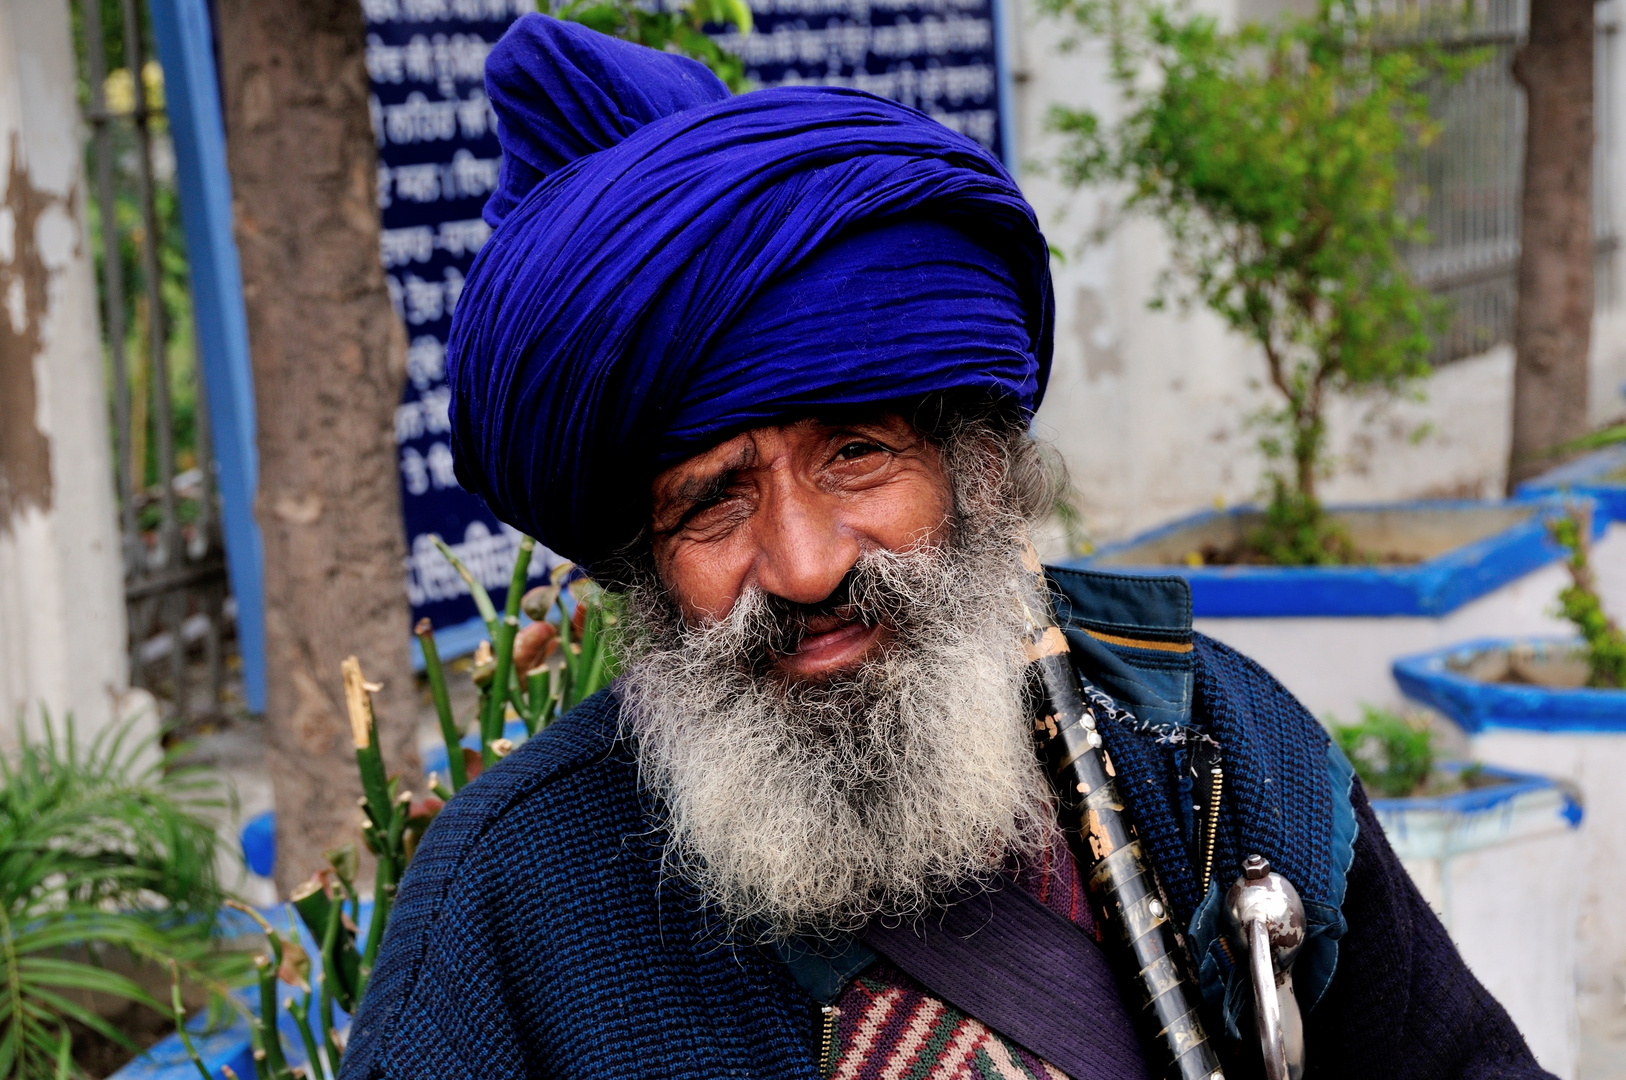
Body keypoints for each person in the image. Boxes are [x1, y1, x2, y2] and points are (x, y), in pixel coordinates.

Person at [342, 15, 1553, 1080]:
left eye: (856, 454)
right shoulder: (507, 909)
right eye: (713, 503)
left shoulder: (1213, 748)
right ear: (642, 565)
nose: (807, 564)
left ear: (971, 468)